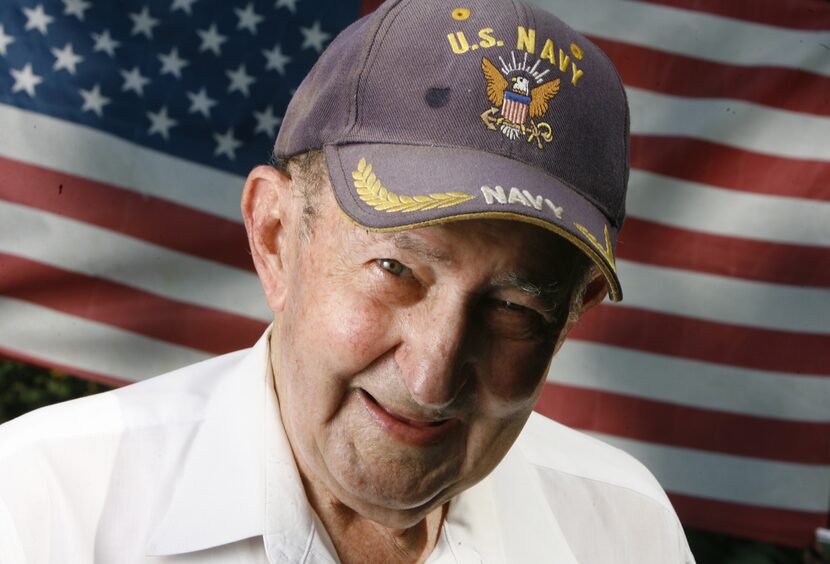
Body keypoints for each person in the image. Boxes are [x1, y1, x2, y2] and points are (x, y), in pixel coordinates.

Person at [0, 0, 695, 562]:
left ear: (575, 312)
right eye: (395, 270)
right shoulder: (41, 510)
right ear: (275, 236)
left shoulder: (625, 530)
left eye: (515, 305)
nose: (432, 377)